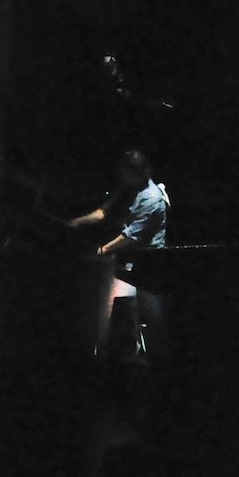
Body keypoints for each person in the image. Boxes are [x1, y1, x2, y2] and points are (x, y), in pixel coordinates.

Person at [68, 149, 170, 357]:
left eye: (125, 172)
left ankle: (149, 355)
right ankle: (125, 349)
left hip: (148, 262)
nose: (120, 176)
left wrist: (103, 249)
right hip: (128, 259)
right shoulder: (129, 188)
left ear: (138, 173)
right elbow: (105, 212)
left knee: (147, 316)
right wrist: (77, 222)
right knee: (124, 312)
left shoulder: (152, 199)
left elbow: (131, 236)